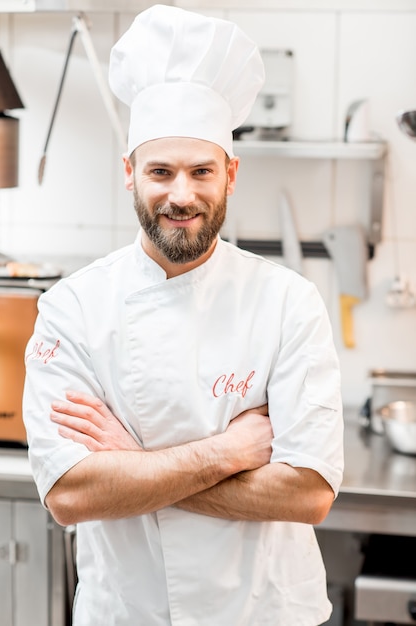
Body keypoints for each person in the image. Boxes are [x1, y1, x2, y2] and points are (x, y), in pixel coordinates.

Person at [23, 5, 344, 626]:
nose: (181, 195)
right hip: (129, 612)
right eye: (160, 172)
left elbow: (308, 493)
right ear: (129, 175)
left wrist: (136, 465)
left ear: (231, 173)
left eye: (201, 171)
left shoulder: (287, 302)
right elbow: (70, 494)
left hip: (264, 613)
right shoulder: (73, 309)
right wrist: (230, 450)